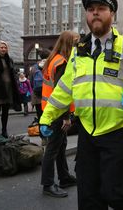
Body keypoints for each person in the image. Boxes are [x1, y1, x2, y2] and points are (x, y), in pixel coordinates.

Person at [39, 0, 123, 209]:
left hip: (118, 133)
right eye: (90, 9)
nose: (95, 13)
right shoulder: (79, 52)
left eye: (101, 8)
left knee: (117, 196)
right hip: (87, 133)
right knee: (88, 198)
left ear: (112, 14)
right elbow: (63, 89)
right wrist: (46, 118)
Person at [40, 30, 79, 198]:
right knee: (53, 148)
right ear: (69, 43)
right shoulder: (62, 62)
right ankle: (48, 184)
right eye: (76, 42)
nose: (78, 45)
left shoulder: (53, 59)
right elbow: (62, 92)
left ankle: (64, 177)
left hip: (49, 109)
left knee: (60, 146)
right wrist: (66, 117)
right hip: (57, 111)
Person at [0, 41, 21, 139]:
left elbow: (12, 73)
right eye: (1, 47)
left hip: (9, 89)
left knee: (6, 111)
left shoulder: (9, 59)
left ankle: (4, 130)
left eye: (5, 48)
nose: (3, 49)